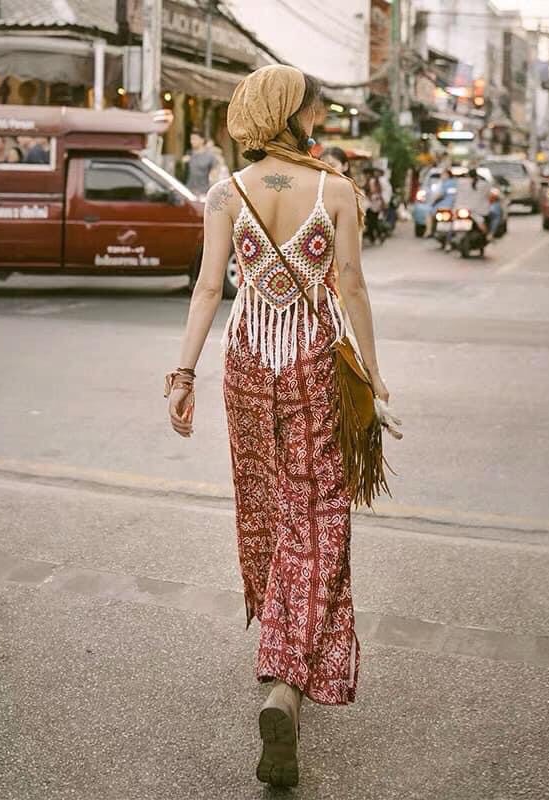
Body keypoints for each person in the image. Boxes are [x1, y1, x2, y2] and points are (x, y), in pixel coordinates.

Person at [165, 65, 391, 788]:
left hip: (245, 365)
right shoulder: (338, 191)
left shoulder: (225, 192)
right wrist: (375, 375)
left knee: (264, 509)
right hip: (312, 368)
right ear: (292, 114)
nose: (319, 119)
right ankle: (287, 679)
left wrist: (183, 374)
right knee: (316, 518)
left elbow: (209, 287)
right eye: (314, 109)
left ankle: (278, 657)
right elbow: (350, 285)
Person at [452, 167, 492, 250]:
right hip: (477, 211)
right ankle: (488, 236)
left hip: (464, 210)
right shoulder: (483, 184)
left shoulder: (461, 182)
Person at [183, 131, 217, 197]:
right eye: (191, 139)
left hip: (203, 192)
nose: (192, 141)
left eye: (194, 139)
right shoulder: (188, 154)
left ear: (202, 140)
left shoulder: (210, 156)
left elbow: (214, 175)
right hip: (188, 191)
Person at [426, 167, 457, 237]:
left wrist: (433, 202)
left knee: (429, 213)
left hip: (444, 205)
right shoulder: (455, 182)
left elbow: (440, 195)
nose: (441, 176)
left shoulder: (445, 183)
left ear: (447, 175)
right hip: (455, 206)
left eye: (443, 174)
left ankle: (429, 231)